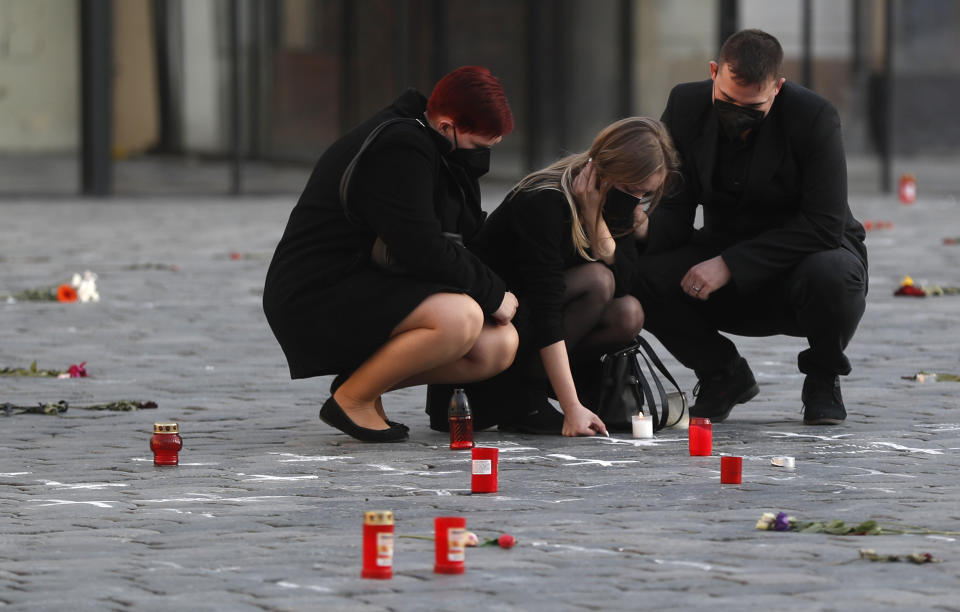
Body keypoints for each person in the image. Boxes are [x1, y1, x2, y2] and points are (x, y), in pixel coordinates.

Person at [263, 66, 520, 442]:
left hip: (370, 281)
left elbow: (460, 235)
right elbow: (422, 246)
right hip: (317, 292)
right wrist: (493, 292)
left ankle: (362, 382)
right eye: (480, 148)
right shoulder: (400, 146)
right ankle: (352, 400)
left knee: (497, 347)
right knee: (460, 318)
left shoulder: (430, 140)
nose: (482, 158)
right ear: (448, 125)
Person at [631, 29, 868, 425]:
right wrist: (641, 230)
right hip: (723, 250)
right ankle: (723, 374)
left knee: (833, 275)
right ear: (713, 72)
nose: (737, 115)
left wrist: (729, 263)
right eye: (726, 101)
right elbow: (675, 207)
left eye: (753, 107)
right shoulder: (686, 105)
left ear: (778, 87)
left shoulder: (814, 116)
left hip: (807, 263)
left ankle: (823, 377)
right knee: (638, 275)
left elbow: (824, 225)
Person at [431, 117, 678, 436]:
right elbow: (546, 306)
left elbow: (627, 284)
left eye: (644, 194)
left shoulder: (611, 204)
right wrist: (571, 408)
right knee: (596, 281)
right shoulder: (545, 200)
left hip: (535, 327)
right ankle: (526, 400)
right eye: (630, 189)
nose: (634, 200)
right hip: (495, 329)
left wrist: (594, 221)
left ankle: (563, 391)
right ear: (604, 169)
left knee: (628, 312)